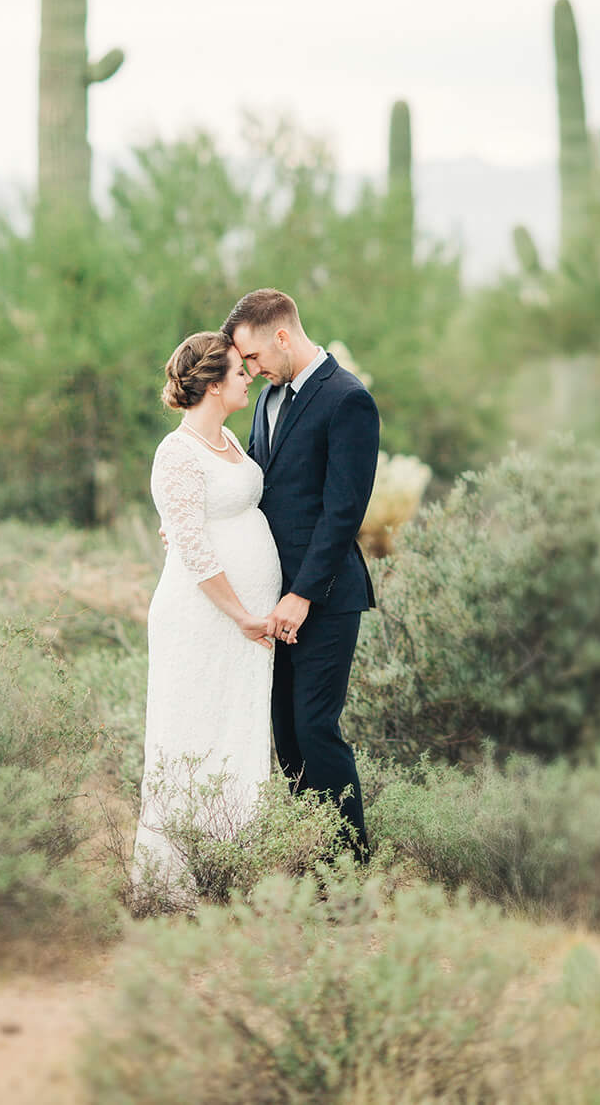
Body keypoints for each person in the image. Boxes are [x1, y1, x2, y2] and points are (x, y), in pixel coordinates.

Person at [224, 288, 379, 860]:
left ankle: (349, 868)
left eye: (256, 357)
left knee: (316, 728)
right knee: (286, 736)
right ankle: (313, 859)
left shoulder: (348, 400)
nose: (253, 369)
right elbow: (255, 494)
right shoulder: (267, 401)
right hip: (271, 600)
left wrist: (302, 594)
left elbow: (344, 513)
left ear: (282, 336)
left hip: (326, 597)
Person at [133, 332, 279, 897]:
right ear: (214, 383)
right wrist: (241, 613)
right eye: (240, 372)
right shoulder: (177, 451)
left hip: (243, 627)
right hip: (204, 619)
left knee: (236, 731)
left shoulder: (230, 444)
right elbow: (193, 548)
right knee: (193, 732)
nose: (249, 379)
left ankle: (235, 867)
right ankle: (176, 882)